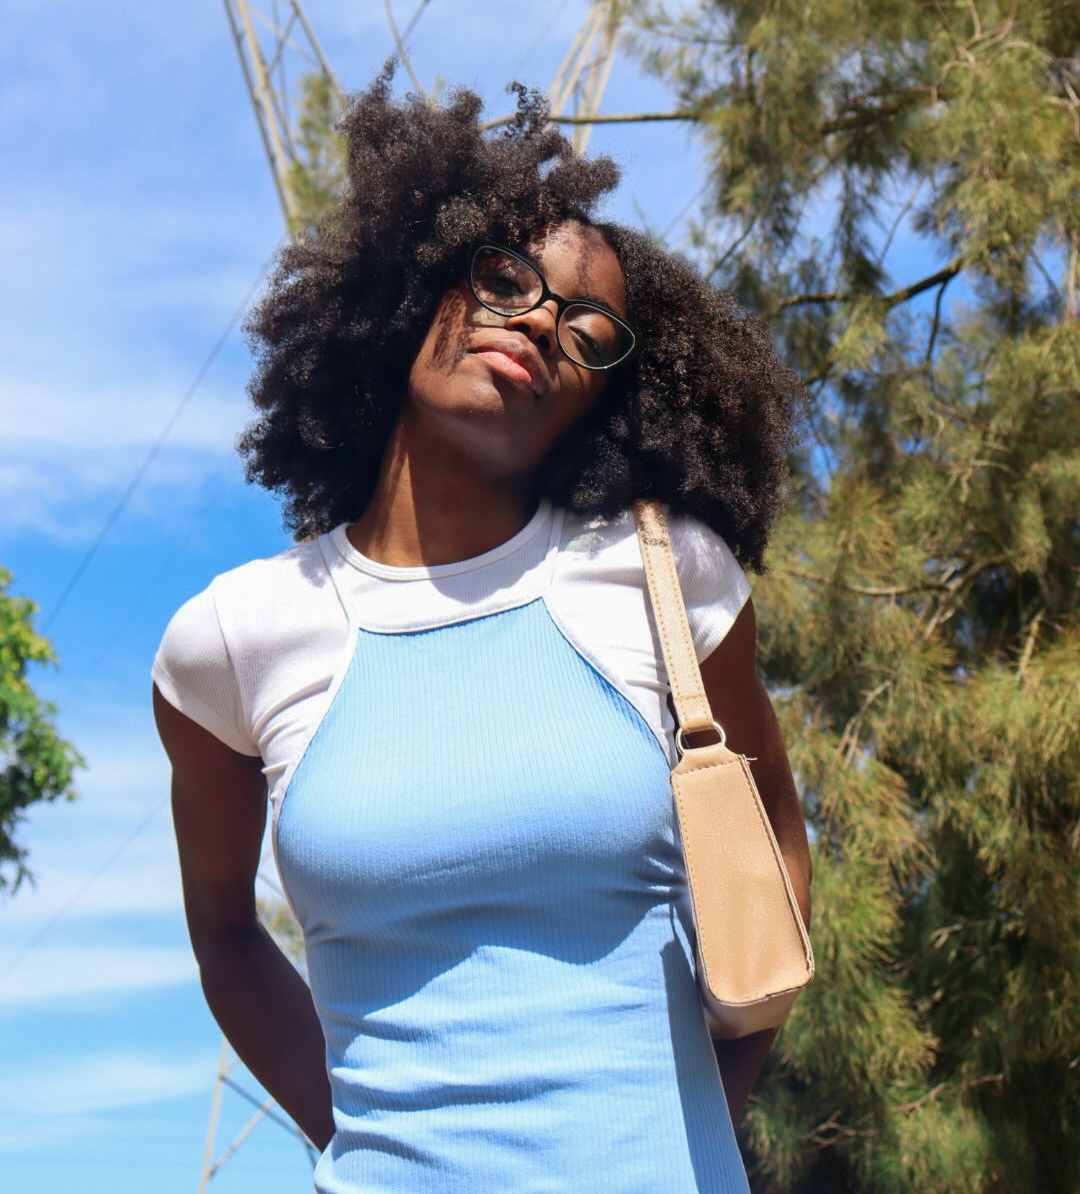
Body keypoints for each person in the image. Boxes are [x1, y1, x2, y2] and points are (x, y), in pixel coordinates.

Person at [152, 74, 812, 1194]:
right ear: (418, 285)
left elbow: (781, 850)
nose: (540, 324)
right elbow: (225, 935)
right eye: (507, 278)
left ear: (602, 401)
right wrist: (362, 1141)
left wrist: (696, 1116)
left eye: (589, 330)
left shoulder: (663, 578)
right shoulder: (235, 639)